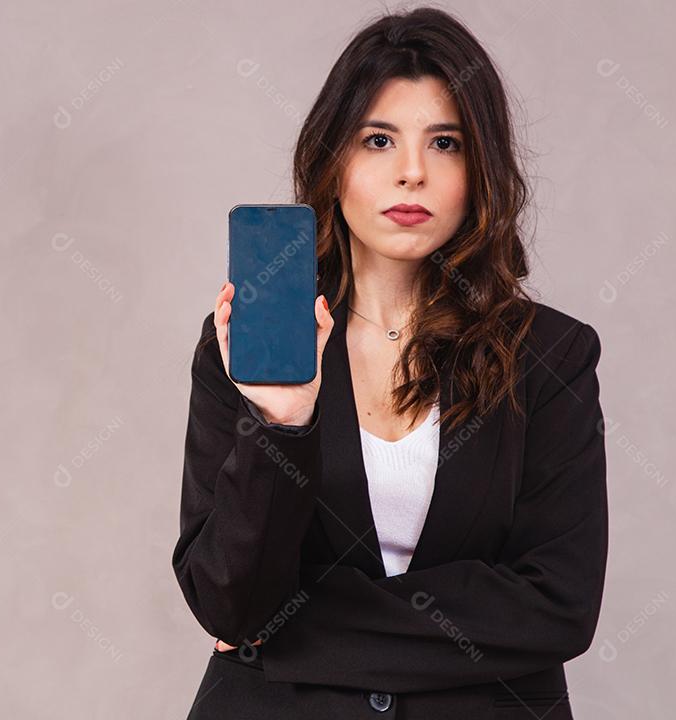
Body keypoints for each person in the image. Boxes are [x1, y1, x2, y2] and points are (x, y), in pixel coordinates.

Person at [171, 6, 607, 719]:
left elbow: (556, 606)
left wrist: (286, 636)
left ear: (481, 169)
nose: (411, 173)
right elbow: (230, 600)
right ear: (332, 160)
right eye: (378, 140)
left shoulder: (550, 356)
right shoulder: (246, 342)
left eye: (445, 143)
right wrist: (282, 423)